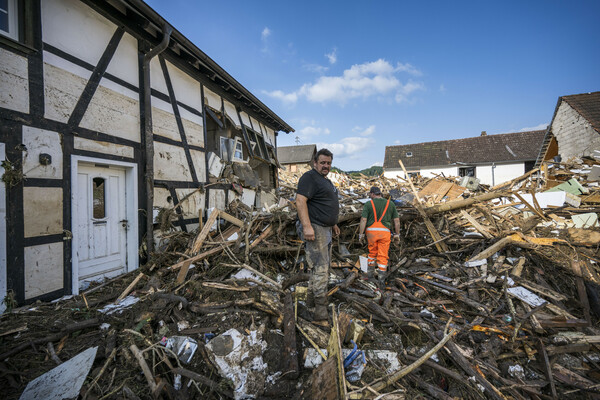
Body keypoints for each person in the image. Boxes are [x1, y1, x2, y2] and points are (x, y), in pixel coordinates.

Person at [295, 148, 340, 323]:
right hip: (316, 229)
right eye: (322, 162)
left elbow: (322, 204)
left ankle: (310, 305)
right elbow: (300, 201)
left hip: (325, 229)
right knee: (321, 269)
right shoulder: (309, 177)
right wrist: (306, 226)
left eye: (328, 163)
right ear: (315, 163)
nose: (325, 166)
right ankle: (320, 312)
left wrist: (333, 223)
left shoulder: (324, 181)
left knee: (319, 268)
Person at [358, 186, 400, 284]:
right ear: (380, 193)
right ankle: (381, 282)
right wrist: (397, 234)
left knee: (372, 254)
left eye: (370, 194)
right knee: (383, 256)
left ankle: (370, 278)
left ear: (372, 194)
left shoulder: (368, 204)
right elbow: (396, 221)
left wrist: (361, 234)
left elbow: (363, 220)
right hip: (385, 233)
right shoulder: (390, 204)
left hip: (371, 233)